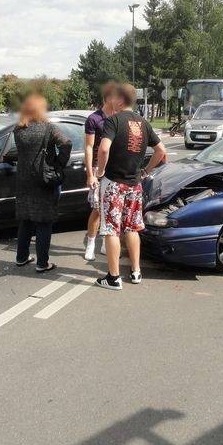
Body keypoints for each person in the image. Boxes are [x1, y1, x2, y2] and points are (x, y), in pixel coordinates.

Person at [94, 83, 167, 290]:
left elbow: (104, 149)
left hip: (113, 184)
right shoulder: (143, 123)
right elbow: (160, 151)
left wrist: (100, 171)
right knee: (132, 228)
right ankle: (136, 272)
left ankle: (113, 277)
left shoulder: (112, 121)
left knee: (111, 230)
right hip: (135, 185)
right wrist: (145, 171)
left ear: (119, 99)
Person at [13, 93, 71, 273]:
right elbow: (66, 143)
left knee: (26, 220)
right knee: (44, 222)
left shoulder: (19, 129)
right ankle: (42, 263)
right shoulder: (48, 128)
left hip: (23, 180)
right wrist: (58, 164)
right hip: (43, 180)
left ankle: (21, 257)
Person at [83, 81, 117, 261]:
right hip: (98, 168)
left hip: (115, 168)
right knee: (97, 209)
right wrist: (90, 173)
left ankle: (105, 242)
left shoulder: (118, 118)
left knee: (111, 208)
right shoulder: (94, 119)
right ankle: (91, 244)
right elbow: (89, 147)